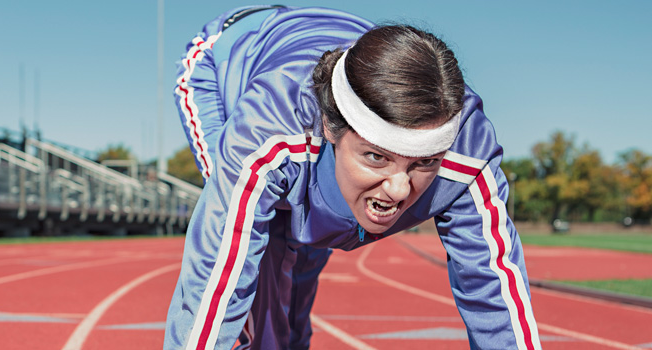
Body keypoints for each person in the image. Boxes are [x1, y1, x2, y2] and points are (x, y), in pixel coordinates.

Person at [166, 5, 540, 350]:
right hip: (227, 59)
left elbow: (494, 290)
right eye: (377, 157)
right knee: (263, 248)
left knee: (306, 253)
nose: (398, 189)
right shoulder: (267, 132)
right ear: (330, 126)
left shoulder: (468, 153)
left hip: (331, 61)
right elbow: (215, 280)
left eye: (423, 163)